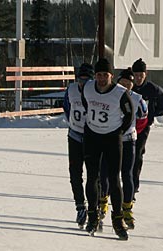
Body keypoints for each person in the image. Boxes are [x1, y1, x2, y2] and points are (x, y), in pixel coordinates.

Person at [80, 58, 133, 240]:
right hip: (93, 136)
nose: (102, 79)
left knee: (113, 178)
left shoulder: (120, 93)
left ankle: (118, 220)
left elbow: (129, 114)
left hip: (112, 138)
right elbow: (86, 103)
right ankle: (93, 216)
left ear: (112, 76)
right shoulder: (87, 87)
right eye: (99, 75)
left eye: (106, 75)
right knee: (92, 176)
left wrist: (118, 131)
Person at [99, 67, 148, 230]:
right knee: (105, 173)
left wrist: (130, 131)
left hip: (128, 140)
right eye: (123, 83)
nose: (126, 86)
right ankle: (103, 203)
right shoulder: (110, 93)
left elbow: (142, 119)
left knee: (127, 174)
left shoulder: (137, 99)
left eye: (129, 84)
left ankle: (127, 208)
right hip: (110, 139)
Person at [131, 58, 163, 196]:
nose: (138, 78)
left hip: (143, 128)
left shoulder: (152, 89)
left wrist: (152, 114)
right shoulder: (129, 86)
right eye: (136, 75)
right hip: (128, 127)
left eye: (141, 75)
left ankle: (133, 186)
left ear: (145, 74)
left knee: (137, 155)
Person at [62, 62, 94, 229]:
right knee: (75, 173)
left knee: (93, 175)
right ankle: (80, 206)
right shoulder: (72, 89)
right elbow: (66, 107)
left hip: (93, 138)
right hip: (75, 135)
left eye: (87, 80)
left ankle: (94, 208)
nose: (83, 83)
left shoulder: (97, 91)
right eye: (80, 79)